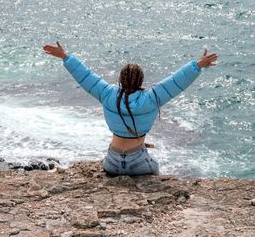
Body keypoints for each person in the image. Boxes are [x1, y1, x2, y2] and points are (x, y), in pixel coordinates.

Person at [43, 41, 217, 176]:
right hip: (139, 162)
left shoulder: (107, 93)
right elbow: (176, 81)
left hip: (111, 162)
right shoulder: (152, 98)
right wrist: (197, 65)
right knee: (156, 172)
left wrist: (66, 56)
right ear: (141, 81)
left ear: (120, 79)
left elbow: (86, 76)